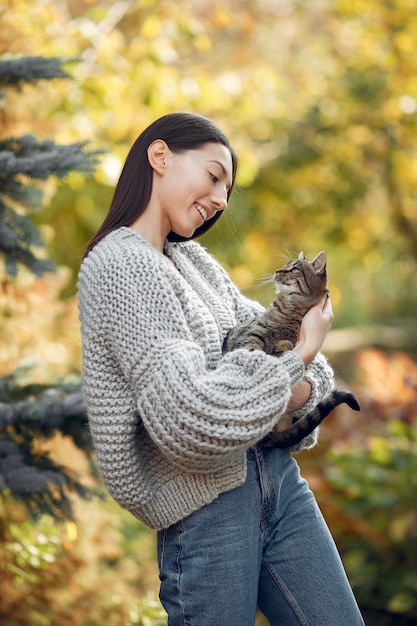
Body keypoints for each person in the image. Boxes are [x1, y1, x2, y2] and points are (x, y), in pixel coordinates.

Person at [77, 112, 364, 625]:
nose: (221, 201)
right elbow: (193, 421)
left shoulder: (196, 264)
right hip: (208, 511)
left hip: (278, 481)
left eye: (227, 189)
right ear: (160, 156)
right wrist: (292, 364)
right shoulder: (119, 265)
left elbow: (318, 382)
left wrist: (275, 378)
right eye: (213, 177)